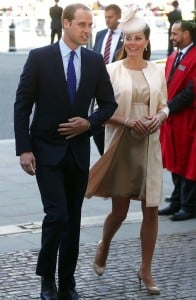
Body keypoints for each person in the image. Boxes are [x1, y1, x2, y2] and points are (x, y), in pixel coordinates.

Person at [14, 3, 117, 300]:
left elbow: (109, 105)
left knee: (73, 219)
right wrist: (24, 149)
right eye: (82, 24)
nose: (88, 30)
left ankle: (67, 284)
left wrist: (89, 123)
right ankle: (47, 279)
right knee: (57, 215)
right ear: (66, 23)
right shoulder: (39, 58)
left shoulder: (95, 61)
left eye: (90, 25)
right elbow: (22, 106)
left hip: (78, 153)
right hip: (45, 151)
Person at [86, 4, 168, 296]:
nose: (132, 43)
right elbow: (99, 111)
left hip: (150, 143)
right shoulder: (110, 70)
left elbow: (165, 106)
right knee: (119, 210)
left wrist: (158, 118)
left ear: (146, 41)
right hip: (121, 142)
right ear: (123, 41)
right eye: (128, 38)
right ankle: (104, 244)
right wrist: (129, 120)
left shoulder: (158, 71)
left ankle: (145, 269)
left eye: (137, 38)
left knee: (152, 209)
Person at [159, 20, 196, 221]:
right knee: (175, 160)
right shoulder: (173, 57)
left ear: (188, 34)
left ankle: (188, 205)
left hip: (188, 119)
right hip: (173, 119)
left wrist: (168, 108)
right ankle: (176, 201)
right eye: (171, 33)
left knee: (189, 162)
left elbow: (191, 91)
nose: (172, 37)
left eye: (175, 33)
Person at [92, 4, 123, 155]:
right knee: (97, 129)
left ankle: (111, 160)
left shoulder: (127, 37)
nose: (107, 20)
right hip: (97, 86)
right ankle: (105, 158)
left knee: (112, 124)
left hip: (117, 86)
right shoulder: (100, 34)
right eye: (105, 17)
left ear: (118, 16)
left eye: (110, 17)